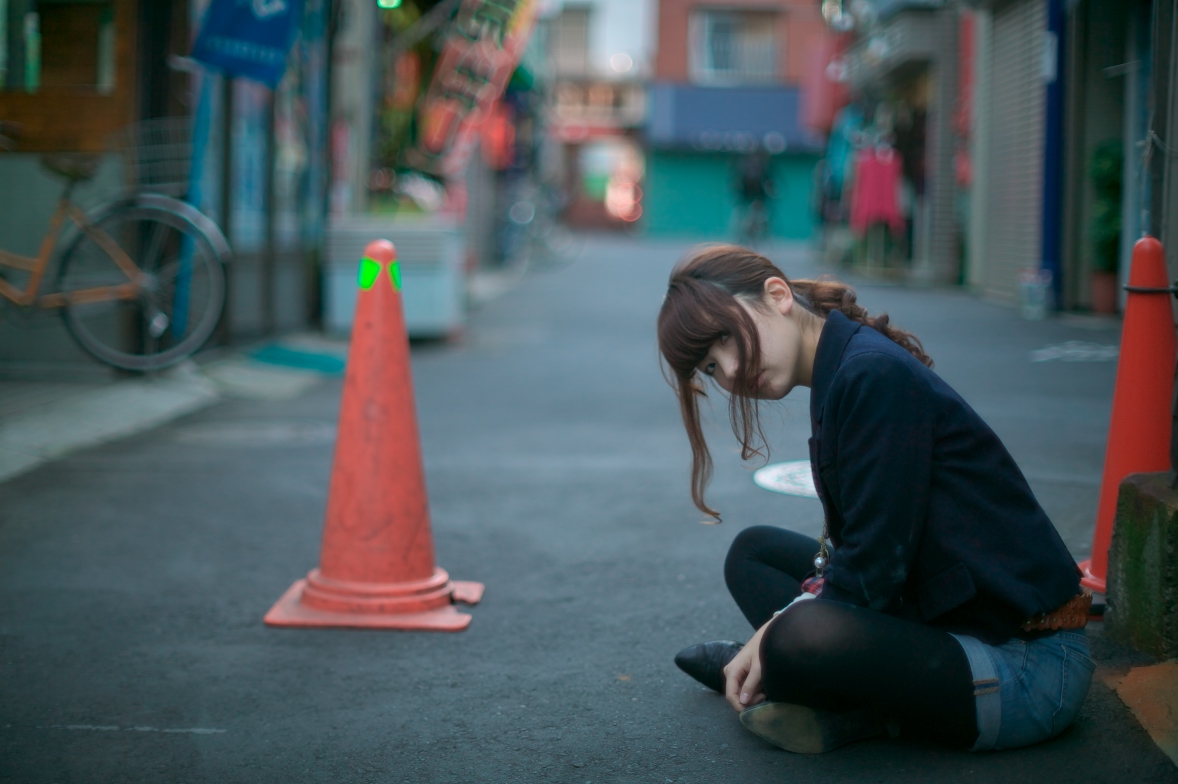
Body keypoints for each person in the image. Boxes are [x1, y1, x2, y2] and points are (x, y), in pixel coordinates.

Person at [657, 245, 1094, 754]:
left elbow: (874, 568)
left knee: (802, 633)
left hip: (1026, 665)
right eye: (711, 368)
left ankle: (801, 687)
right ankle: (798, 682)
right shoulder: (841, 366)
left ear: (776, 295)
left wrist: (777, 629)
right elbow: (870, 556)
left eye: (726, 339)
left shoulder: (868, 373)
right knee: (752, 553)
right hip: (945, 612)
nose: (730, 372)